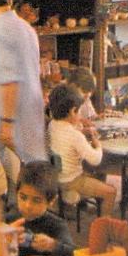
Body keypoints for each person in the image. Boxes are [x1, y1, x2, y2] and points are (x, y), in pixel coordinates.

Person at [0, 0, 46, 164]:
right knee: (34, 170)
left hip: (13, 117)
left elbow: (9, 80)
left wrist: (6, 124)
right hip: (32, 108)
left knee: (15, 178)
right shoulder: (27, 28)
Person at [47, 83, 117, 217]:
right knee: (111, 192)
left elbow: (67, 134)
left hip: (58, 176)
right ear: (73, 111)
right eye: (78, 111)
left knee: (97, 174)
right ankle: (103, 227)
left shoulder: (52, 124)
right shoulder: (75, 136)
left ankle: (93, 208)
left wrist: (83, 131)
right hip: (71, 181)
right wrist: (97, 144)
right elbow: (96, 159)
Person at [7, 161, 75, 256]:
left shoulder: (56, 224)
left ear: (51, 201)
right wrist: (3, 237)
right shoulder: (10, 217)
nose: (28, 206)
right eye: (23, 197)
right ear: (16, 193)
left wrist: (52, 245)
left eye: (36, 200)